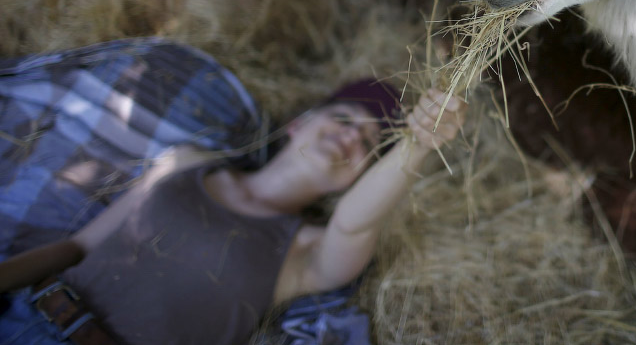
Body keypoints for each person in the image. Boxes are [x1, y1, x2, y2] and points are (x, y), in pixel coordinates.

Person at [0, 70, 466, 345]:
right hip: (25, 317)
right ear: (301, 124)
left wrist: (417, 147)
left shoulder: (309, 252)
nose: (351, 136)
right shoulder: (187, 164)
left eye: (368, 143)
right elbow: (79, 246)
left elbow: (354, 222)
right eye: (343, 119)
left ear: (364, 175)